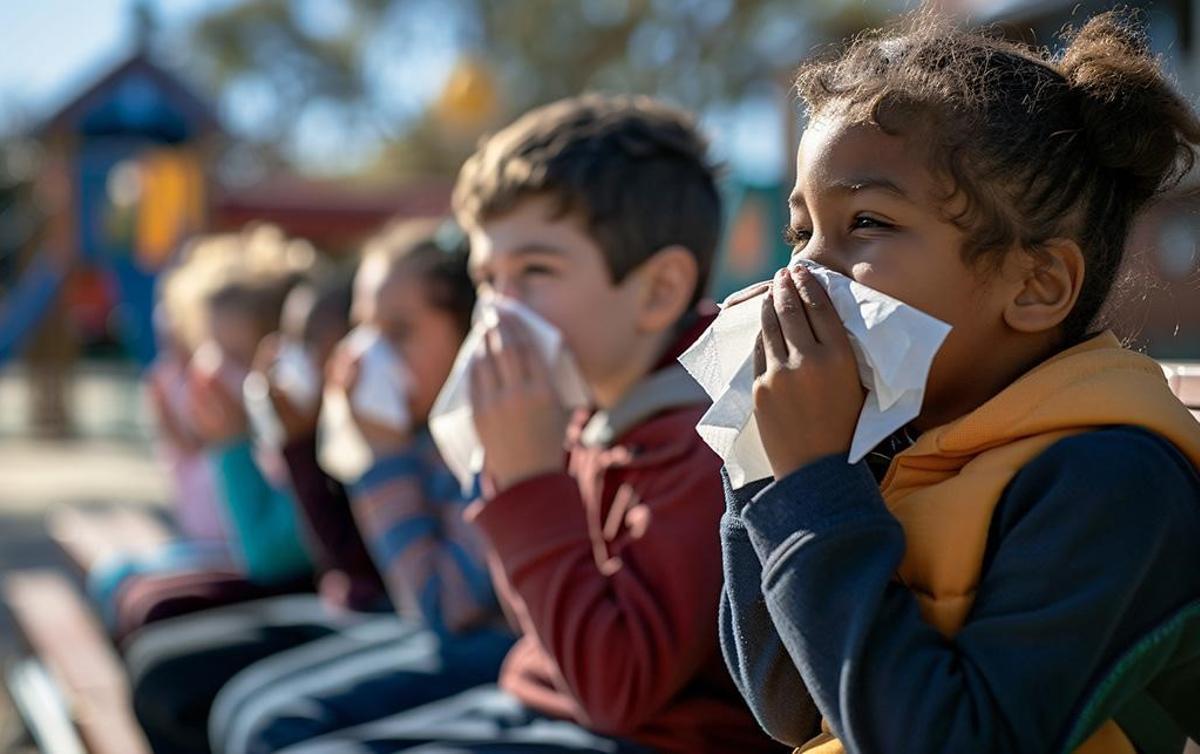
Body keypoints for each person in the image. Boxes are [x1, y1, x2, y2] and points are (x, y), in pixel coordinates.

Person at [719, 10, 1200, 754]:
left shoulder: (1112, 479)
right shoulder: (890, 440)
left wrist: (811, 484)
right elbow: (788, 703)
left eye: (867, 222)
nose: (804, 271)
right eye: (801, 231)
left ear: (1036, 284)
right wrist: (763, 462)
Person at [277, 94, 781, 754]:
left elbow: (616, 688)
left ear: (658, 290)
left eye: (535, 271)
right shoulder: (582, 410)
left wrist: (529, 482)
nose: (497, 311)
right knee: (272, 724)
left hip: (651, 737)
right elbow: (537, 621)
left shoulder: (709, 434)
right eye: (489, 279)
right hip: (543, 698)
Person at [129, 220, 511, 754]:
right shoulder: (410, 432)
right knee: (175, 664)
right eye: (363, 328)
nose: (363, 356)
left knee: (263, 721)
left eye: (398, 331)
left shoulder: (475, 435)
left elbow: (430, 606)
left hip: (465, 639)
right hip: (392, 617)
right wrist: (298, 440)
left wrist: (378, 455)